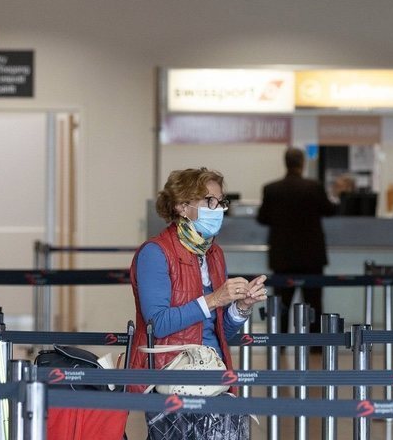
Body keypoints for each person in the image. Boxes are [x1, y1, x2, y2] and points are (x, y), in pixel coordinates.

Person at [128, 167, 266, 379]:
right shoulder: (155, 253)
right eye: (210, 201)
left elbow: (218, 332)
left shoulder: (214, 253)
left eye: (221, 203)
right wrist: (214, 299)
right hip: (172, 373)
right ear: (183, 206)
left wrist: (241, 307)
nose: (218, 209)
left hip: (214, 369)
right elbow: (157, 324)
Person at [256, 147, 336, 330]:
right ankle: (316, 345)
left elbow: (262, 218)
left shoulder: (271, 189)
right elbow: (330, 210)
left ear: (286, 163)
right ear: (302, 163)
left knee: (281, 305)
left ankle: (279, 343)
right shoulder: (314, 187)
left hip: (282, 257)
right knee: (314, 303)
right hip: (311, 257)